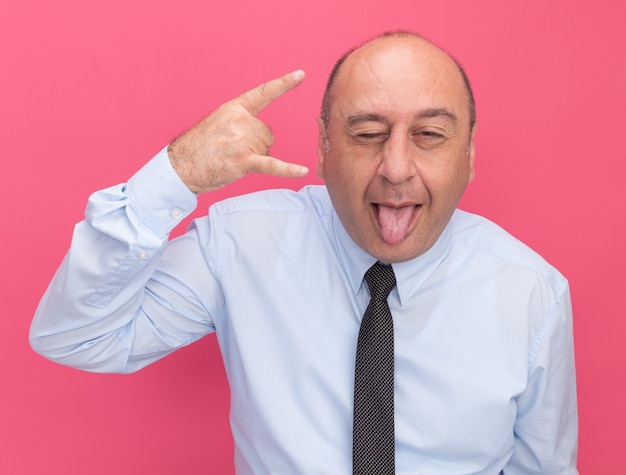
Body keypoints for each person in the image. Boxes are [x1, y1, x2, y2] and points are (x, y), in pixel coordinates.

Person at [30, 31, 578, 474]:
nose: (395, 167)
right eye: (367, 133)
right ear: (323, 147)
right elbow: (74, 336)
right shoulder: (242, 243)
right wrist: (176, 174)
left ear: (469, 153)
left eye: (429, 134)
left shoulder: (532, 292)